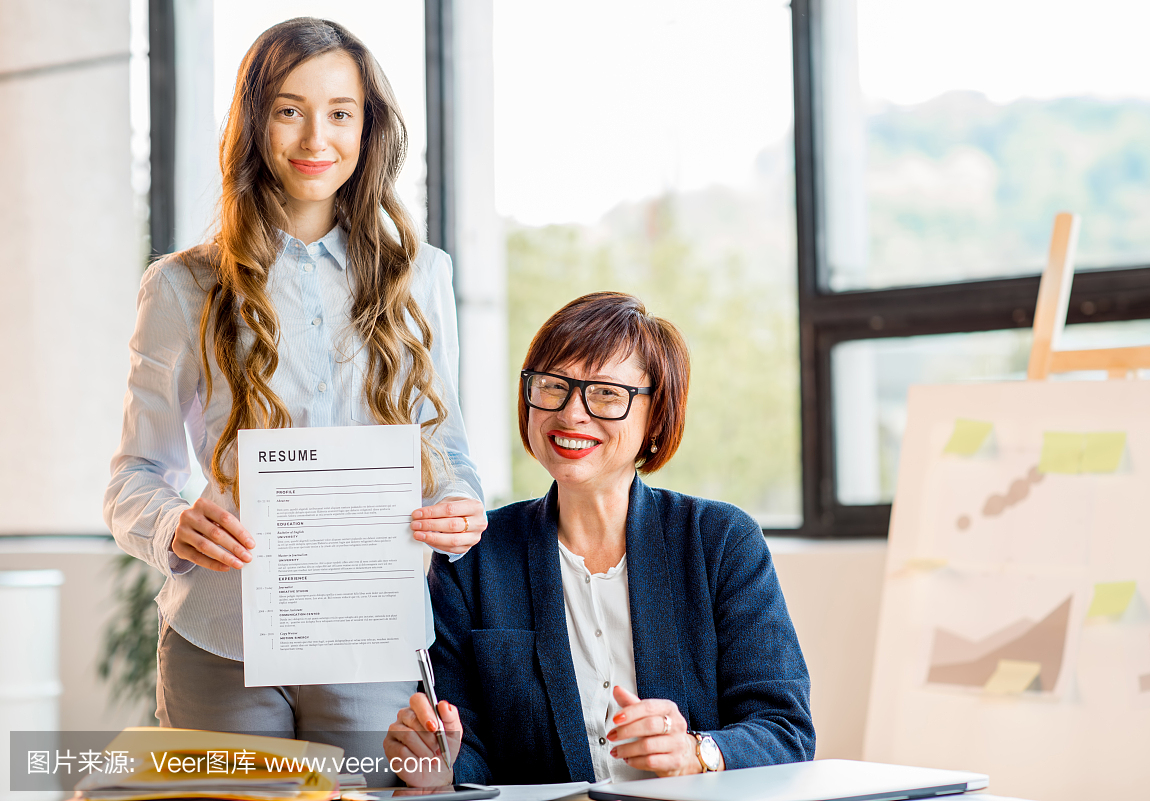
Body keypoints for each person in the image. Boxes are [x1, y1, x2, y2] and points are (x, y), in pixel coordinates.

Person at [103, 17, 485, 775]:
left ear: (367, 127)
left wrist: (463, 509)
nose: (318, 136)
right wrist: (175, 523)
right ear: (255, 122)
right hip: (219, 638)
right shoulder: (182, 287)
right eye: (289, 109)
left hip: (369, 636)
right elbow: (132, 478)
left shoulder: (424, 277)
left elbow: (450, 461)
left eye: (341, 112)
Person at [384, 292, 814, 786]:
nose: (571, 414)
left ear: (656, 418)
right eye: (553, 387)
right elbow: (471, 750)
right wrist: (436, 767)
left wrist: (698, 753)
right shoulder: (474, 557)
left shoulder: (719, 541)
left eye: (607, 393)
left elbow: (787, 731)